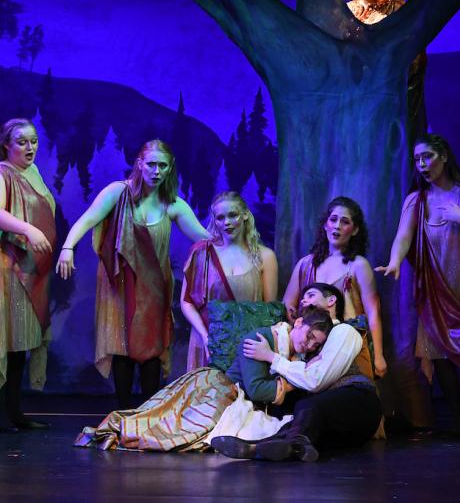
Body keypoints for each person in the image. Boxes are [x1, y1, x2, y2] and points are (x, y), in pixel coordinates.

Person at [56, 139, 209, 408]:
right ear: (139, 164)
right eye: (151, 164)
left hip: (153, 287)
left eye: (163, 166)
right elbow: (88, 219)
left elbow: (204, 238)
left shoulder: (172, 204)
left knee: (152, 346)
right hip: (119, 283)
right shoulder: (118, 192)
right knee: (122, 344)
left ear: (170, 167)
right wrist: (68, 247)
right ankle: (124, 410)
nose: (156, 171)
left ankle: (148, 412)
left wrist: (242, 245)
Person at [376, 134, 460, 437]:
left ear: (444, 157)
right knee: (439, 353)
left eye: (428, 157)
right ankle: (457, 419)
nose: (422, 164)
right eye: (417, 159)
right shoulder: (417, 199)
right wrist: (396, 261)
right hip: (436, 284)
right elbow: (403, 237)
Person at [73, 307, 333, 452]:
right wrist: (289, 383)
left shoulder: (296, 357)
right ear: (298, 322)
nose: (308, 345)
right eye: (309, 336)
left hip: (234, 396)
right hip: (218, 389)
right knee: (172, 426)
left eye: (315, 344)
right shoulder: (261, 339)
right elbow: (257, 390)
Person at [211, 282, 381, 462]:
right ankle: (258, 448)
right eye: (303, 297)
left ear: (331, 301)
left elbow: (316, 380)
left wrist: (272, 358)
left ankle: (268, 446)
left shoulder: (343, 331)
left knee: (308, 407)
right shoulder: (300, 351)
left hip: (360, 402)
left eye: (311, 295)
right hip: (339, 423)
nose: (304, 300)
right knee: (300, 425)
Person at [283, 196, 387, 378]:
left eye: (344, 221)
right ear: (325, 225)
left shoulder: (358, 265)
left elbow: (373, 313)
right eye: (333, 219)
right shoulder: (306, 264)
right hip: (310, 347)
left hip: (345, 347)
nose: (337, 225)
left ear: (354, 230)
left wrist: (378, 355)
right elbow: (287, 305)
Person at [0, 118, 56, 432]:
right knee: (5, 340)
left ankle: (14, 413)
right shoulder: (3, 172)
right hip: (9, 268)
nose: (29, 147)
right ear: (7, 144)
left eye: (33, 141)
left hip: (32, 270)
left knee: (19, 343)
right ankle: (7, 414)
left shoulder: (31, 172)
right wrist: (28, 229)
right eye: (22, 141)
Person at [181, 191, 278, 370]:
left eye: (232, 215)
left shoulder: (265, 256)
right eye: (220, 217)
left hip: (246, 345)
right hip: (207, 341)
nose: (226, 222)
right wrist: (206, 337)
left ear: (245, 215)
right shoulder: (202, 253)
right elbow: (186, 302)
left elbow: (269, 311)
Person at [340, 0, 427, 142]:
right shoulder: (344, 13)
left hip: (387, 96)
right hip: (351, 96)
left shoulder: (397, 10)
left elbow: (413, 57)